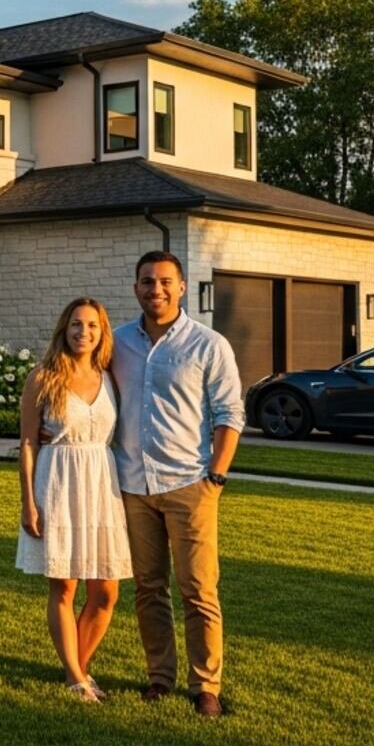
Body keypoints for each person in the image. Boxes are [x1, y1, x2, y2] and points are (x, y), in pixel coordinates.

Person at [111, 250, 244, 718]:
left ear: (182, 287)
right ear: (136, 288)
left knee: (198, 589)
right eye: (147, 281)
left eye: (166, 281)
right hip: (132, 485)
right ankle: (159, 678)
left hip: (190, 484)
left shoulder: (209, 345)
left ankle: (206, 685)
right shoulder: (117, 342)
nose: (156, 289)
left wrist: (216, 478)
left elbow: (230, 415)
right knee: (148, 587)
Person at [15, 297, 131, 703]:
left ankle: (76, 668)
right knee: (64, 585)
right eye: (77, 325)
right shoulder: (43, 378)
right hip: (58, 482)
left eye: (93, 326)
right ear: (64, 329)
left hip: (101, 483)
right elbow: (28, 443)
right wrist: (28, 502)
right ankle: (77, 678)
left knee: (106, 591)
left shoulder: (111, 376)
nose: (84, 333)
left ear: (103, 332)